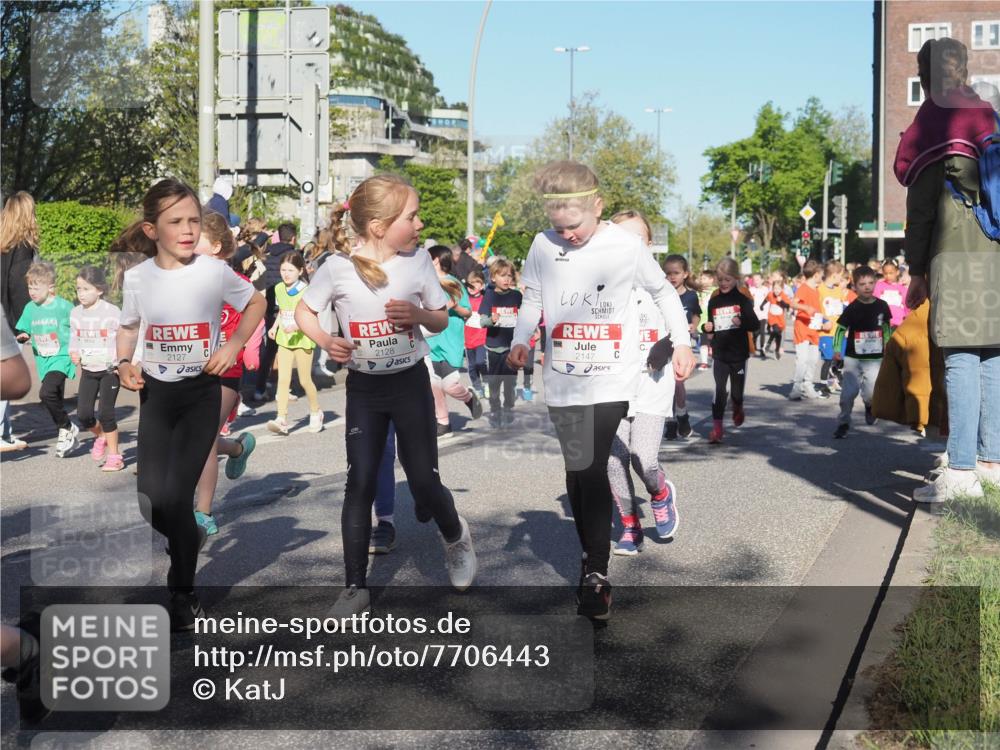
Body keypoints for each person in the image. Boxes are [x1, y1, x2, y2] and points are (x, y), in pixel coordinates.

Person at [507, 161, 695, 621]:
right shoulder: (541, 245)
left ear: (597, 206)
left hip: (614, 375)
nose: (567, 235)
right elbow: (532, 297)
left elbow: (665, 294)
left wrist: (684, 342)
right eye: (559, 227)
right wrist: (520, 339)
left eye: (574, 226)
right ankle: (593, 559)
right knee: (578, 470)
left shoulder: (626, 247)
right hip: (563, 377)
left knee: (590, 464)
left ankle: (596, 573)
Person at [295, 174, 477, 617]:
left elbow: (439, 319)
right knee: (358, 482)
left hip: (409, 382)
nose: (419, 224)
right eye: (410, 216)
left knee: (423, 482)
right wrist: (325, 340)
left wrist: (417, 313)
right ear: (378, 226)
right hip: (365, 388)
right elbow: (303, 311)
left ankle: (455, 536)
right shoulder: (337, 268)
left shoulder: (416, 264)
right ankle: (355, 587)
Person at [114, 178, 265, 631]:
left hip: (201, 393)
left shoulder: (213, 271)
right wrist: (124, 362)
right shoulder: (138, 278)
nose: (186, 230)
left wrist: (235, 344)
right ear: (151, 229)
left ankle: (182, 593)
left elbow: (256, 303)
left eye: (193, 221)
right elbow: (128, 326)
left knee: (176, 497)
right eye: (175, 221)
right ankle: (188, 537)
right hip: (156, 396)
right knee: (151, 502)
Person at [894, 37, 1000, 501]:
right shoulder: (986, 112)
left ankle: (960, 472)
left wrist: (916, 270)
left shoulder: (933, 120)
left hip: (955, 251)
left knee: (958, 355)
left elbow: (920, 208)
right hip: (995, 248)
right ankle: (991, 461)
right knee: (993, 355)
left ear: (925, 74)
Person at [607, 211, 682, 555]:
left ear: (649, 245)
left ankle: (660, 492)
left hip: (651, 384)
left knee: (643, 458)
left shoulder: (661, 288)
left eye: (636, 239)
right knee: (612, 458)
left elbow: (678, 328)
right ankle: (629, 523)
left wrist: (668, 346)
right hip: (612, 386)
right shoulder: (601, 285)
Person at [192, 211, 263, 536]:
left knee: (203, 438)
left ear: (217, 246)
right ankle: (236, 447)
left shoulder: (237, 284)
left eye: (197, 240)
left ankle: (202, 513)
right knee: (188, 438)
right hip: (189, 371)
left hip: (225, 372)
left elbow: (258, 310)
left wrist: (239, 347)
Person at [15, 261, 78, 457]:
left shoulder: (63, 306)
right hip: (43, 360)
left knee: (46, 393)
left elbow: (78, 323)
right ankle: (64, 432)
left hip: (61, 357)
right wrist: (23, 335)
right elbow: (24, 327)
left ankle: (67, 426)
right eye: (29, 287)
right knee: (53, 398)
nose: (32, 291)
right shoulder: (30, 308)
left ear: (50, 287)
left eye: (36, 287)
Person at [69, 265, 123, 471]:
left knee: (106, 414)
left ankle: (115, 456)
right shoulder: (75, 313)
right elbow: (74, 337)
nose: (81, 294)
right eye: (78, 289)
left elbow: (122, 337)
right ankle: (100, 436)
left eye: (86, 289)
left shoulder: (112, 312)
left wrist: (123, 362)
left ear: (99, 290)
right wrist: (73, 351)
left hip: (110, 370)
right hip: (89, 371)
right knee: (83, 414)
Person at [425, 245, 482, 436]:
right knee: (433, 384)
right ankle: (443, 422)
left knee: (449, 385)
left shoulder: (453, 283)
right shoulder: (424, 282)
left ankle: (468, 398)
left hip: (450, 339)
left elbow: (467, 311)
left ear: (436, 259)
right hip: (429, 340)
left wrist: (455, 306)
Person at [702, 258, 760, 444]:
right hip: (720, 352)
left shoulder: (743, 300)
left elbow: (755, 324)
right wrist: (707, 328)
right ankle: (717, 429)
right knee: (719, 391)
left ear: (736, 278)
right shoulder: (714, 300)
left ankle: (738, 405)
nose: (724, 284)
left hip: (738, 354)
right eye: (720, 280)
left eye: (727, 280)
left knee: (736, 392)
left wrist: (741, 322)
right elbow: (709, 326)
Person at [266, 252, 322, 436]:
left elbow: (312, 316)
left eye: (290, 270)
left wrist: (297, 325)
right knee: (283, 379)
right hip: (284, 339)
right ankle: (281, 418)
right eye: (283, 269)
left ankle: (316, 412)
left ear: (300, 270)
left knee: (305, 380)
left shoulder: (307, 291)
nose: (286, 273)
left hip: (303, 339)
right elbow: (282, 311)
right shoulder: (278, 288)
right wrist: (275, 327)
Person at [833, 266, 892, 439]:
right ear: (855, 287)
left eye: (870, 283)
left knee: (871, 393)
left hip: (875, 358)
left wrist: (888, 344)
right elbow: (840, 329)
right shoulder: (852, 308)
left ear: (875, 283)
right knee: (847, 395)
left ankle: (869, 406)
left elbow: (887, 327)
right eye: (862, 284)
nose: (867, 287)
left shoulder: (882, 306)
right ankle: (843, 423)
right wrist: (837, 350)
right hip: (853, 358)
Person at [0, 191, 37, 452]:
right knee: (7, 379)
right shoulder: (23, 246)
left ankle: (7, 433)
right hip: (9, 320)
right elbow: (17, 286)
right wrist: (25, 325)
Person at [253, 223, 297, 402]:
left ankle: (259, 388)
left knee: (270, 350)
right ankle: (283, 389)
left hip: (270, 307)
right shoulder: (295, 256)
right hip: (289, 309)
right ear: (293, 238)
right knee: (287, 350)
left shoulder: (268, 255)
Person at [661, 252, 701, 439]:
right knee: (666, 383)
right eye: (668, 273)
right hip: (663, 342)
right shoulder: (661, 294)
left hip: (682, 345)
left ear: (685, 274)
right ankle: (671, 421)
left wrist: (694, 325)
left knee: (677, 383)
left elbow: (696, 314)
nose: (672, 277)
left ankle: (682, 415)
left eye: (676, 273)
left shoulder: (691, 296)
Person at [479, 257, 522, 427]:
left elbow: (524, 317)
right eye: (502, 275)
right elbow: (482, 322)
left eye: (509, 276)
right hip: (494, 347)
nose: (506, 279)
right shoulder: (489, 296)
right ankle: (495, 411)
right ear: (493, 278)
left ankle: (509, 409)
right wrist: (492, 320)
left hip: (512, 347)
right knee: (495, 383)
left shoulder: (517, 295)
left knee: (511, 383)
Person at [789, 259, 830, 400]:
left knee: (813, 359)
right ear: (816, 274)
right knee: (802, 359)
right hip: (802, 327)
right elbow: (793, 303)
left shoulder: (817, 290)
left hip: (814, 328)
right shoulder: (803, 288)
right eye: (822, 274)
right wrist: (805, 308)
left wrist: (826, 321)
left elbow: (817, 310)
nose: (823, 276)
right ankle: (796, 387)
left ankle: (808, 384)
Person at [818, 261, 855, 393]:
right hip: (826, 333)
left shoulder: (839, 291)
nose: (841, 279)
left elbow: (841, 307)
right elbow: (816, 309)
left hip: (840, 332)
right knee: (828, 359)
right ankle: (823, 386)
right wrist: (823, 321)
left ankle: (835, 376)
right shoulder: (820, 289)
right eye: (840, 276)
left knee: (841, 358)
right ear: (834, 275)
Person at [464, 269, 488, 398]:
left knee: (481, 362)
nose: (472, 286)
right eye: (470, 283)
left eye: (476, 283)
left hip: (482, 338)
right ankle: (477, 387)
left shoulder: (486, 300)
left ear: (482, 285)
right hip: (468, 339)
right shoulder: (465, 301)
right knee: (472, 366)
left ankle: (487, 383)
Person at [873, 258, 910, 328]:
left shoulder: (902, 289)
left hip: (899, 323)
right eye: (885, 273)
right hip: (882, 322)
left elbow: (906, 306)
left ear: (897, 272)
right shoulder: (879, 285)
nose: (888, 276)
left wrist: (907, 319)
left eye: (891, 273)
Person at [765, 273, 792, 359]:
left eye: (778, 289)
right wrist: (762, 306)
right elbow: (767, 298)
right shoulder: (771, 290)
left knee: (779, 333)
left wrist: (782, 302)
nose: (776, 290)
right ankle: (770, 342)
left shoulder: (785, 291)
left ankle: (778, 348)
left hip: (781, 315)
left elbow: (788, 304)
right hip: (772, 315)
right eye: (775, 289)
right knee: (775, 330)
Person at [696, 270, 716, 370]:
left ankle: (715, 357)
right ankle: (704, 362)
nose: (701, 280)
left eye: (704, 278)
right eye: (701, 278)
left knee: (714, 342)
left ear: (711, 280)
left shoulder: (716, 291)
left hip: (714, 321)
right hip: (702, 321)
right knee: (703, 342)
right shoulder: (699, 292)